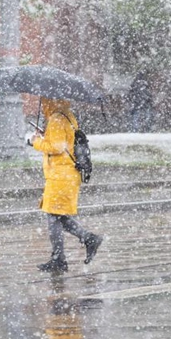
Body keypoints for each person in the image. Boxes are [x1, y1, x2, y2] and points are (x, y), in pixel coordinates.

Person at [28, 98, 103, 273]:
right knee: (58, 216)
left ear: (49, 102)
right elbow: (65, 141)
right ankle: (88, 239)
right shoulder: (67, 115)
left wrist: (35, 141)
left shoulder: (55, 119)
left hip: (60, 176)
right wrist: (45, 134)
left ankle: (59, 259)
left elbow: (57, 147)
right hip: (67, 174)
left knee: (53, 217)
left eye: (45, 101)